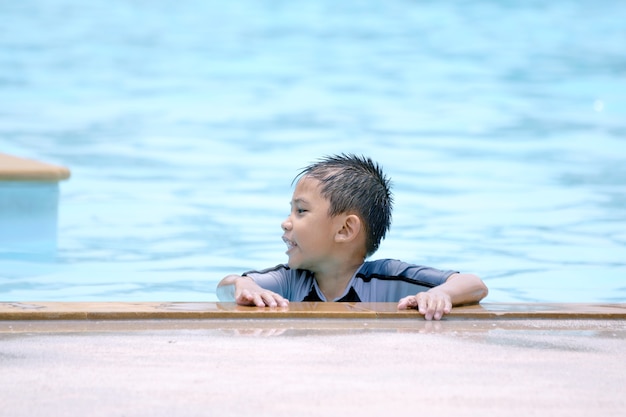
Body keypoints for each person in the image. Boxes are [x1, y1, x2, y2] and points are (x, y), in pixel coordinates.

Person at [217, 154, 488, 320]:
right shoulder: (290, 280)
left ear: (345, 230)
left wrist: (441, 294)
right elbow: (227, 287)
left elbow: (474, 284)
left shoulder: (387, 279)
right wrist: (243, 287)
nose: (286, 222)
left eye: (301, 211)